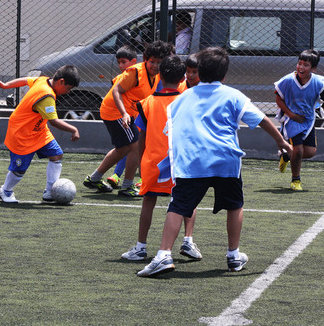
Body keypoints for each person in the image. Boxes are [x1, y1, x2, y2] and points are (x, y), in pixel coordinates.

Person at [137, 47, 293, 277]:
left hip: (192, 163)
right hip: (225, 162)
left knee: (177, 207)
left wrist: (170, 161)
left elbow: (171, 132)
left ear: (198, 71)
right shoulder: (233, 95)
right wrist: (282, 142)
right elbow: (262, 119)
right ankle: (233, 255)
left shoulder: (180, 100)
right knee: (234, 205)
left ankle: (163, 255)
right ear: (224, 75)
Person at [121, 55, 202, 261]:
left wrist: (140, 162)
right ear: (183, 76)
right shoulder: (189, 101)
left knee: (148, 201)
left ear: (160, 75)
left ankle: (141, 247)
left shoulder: (147, 103)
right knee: (187, 201)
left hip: (154, 163)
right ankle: (188, 241)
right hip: (182, 162)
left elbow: (142, 135)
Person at [83, 41, 172, 197]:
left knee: (123, 149)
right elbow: (116, 90)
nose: (155, 65)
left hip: (127, 113)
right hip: (115, 111)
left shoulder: (157, 75)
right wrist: (124, 113)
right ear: (145, 58)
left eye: (159, 62)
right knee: (135, 147)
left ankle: (94, 178)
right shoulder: (136, 72)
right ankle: (127, 186)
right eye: (152, 61)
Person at [0, 65, 80, 203]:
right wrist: (74, 129)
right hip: (22, 133)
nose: (68, 92)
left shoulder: (43, 80)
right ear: (61, 81)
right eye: (68, 88)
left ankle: (50, 193)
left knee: (56, 154)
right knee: (20, 169)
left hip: (39, 131)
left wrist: (5, 85)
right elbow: (54, 122)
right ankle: (5, 191)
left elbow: (25, 80)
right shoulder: (47, 96)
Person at [274, 49, 324, 191]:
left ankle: (286, 156)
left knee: (310, 152)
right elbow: (278, 98)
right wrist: (291, 114)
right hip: (292, 120)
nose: (301, 67)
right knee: (298, 150)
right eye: (299, 63)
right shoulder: (287, 80)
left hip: (308, 120)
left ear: (313, 68)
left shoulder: (317, 83)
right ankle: (295, 180)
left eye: (305, 65)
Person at [106, 45, 137, 189]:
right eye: (119, 62)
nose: (120, 65)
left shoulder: (138, 76)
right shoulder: (119, 79)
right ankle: (117, 175)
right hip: (128, 117)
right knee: (129, 146)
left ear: (133, 61)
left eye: (123, 62)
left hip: (138, 116)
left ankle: (143, 178)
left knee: (134, 147)